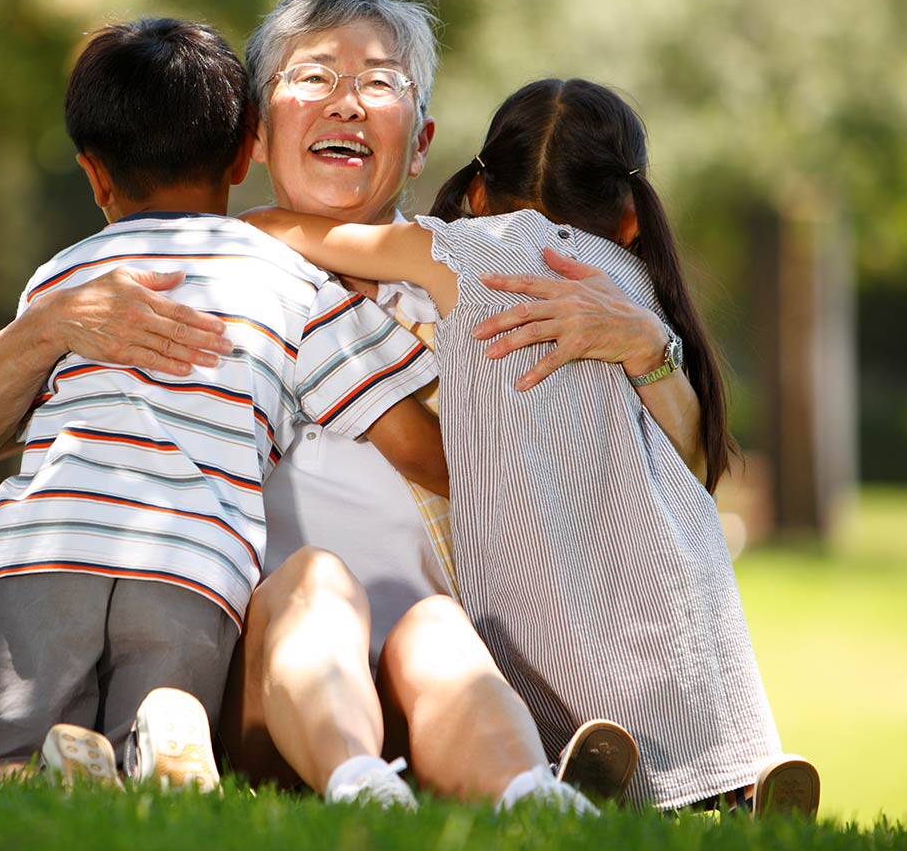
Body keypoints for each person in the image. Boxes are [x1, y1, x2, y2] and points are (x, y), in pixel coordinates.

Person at [0, 0, 691, 811]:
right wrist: (52, 326)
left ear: (423, 138)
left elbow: (654, 486)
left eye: (378, 82)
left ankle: (535, 788)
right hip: (242, 678)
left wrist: (652, 353)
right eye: (315, 76)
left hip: (435, 683)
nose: (347, 103)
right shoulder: (188, 278)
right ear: (256, 132)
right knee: (313, 580)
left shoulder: (475, 290)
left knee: (435, 629)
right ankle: (363, 775)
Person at [243, 76, 820, 813]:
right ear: (631, 215)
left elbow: (302, 235)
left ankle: (564, 763)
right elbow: (694, 467)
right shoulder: (636, 284)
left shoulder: (464, 252)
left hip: (545, 557)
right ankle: (736, 777)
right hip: (670, 568)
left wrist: (243, 223)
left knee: (539, 650)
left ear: (480, 194)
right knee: (673, 663)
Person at [0, 17, 449, 785]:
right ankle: (163, 735)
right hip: (192, 569)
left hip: (44, 549)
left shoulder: (67, 274)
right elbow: (419, 448)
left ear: (95, 176)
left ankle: (17, 771)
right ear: (241, 152)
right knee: (148, 754)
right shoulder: (290, 283)